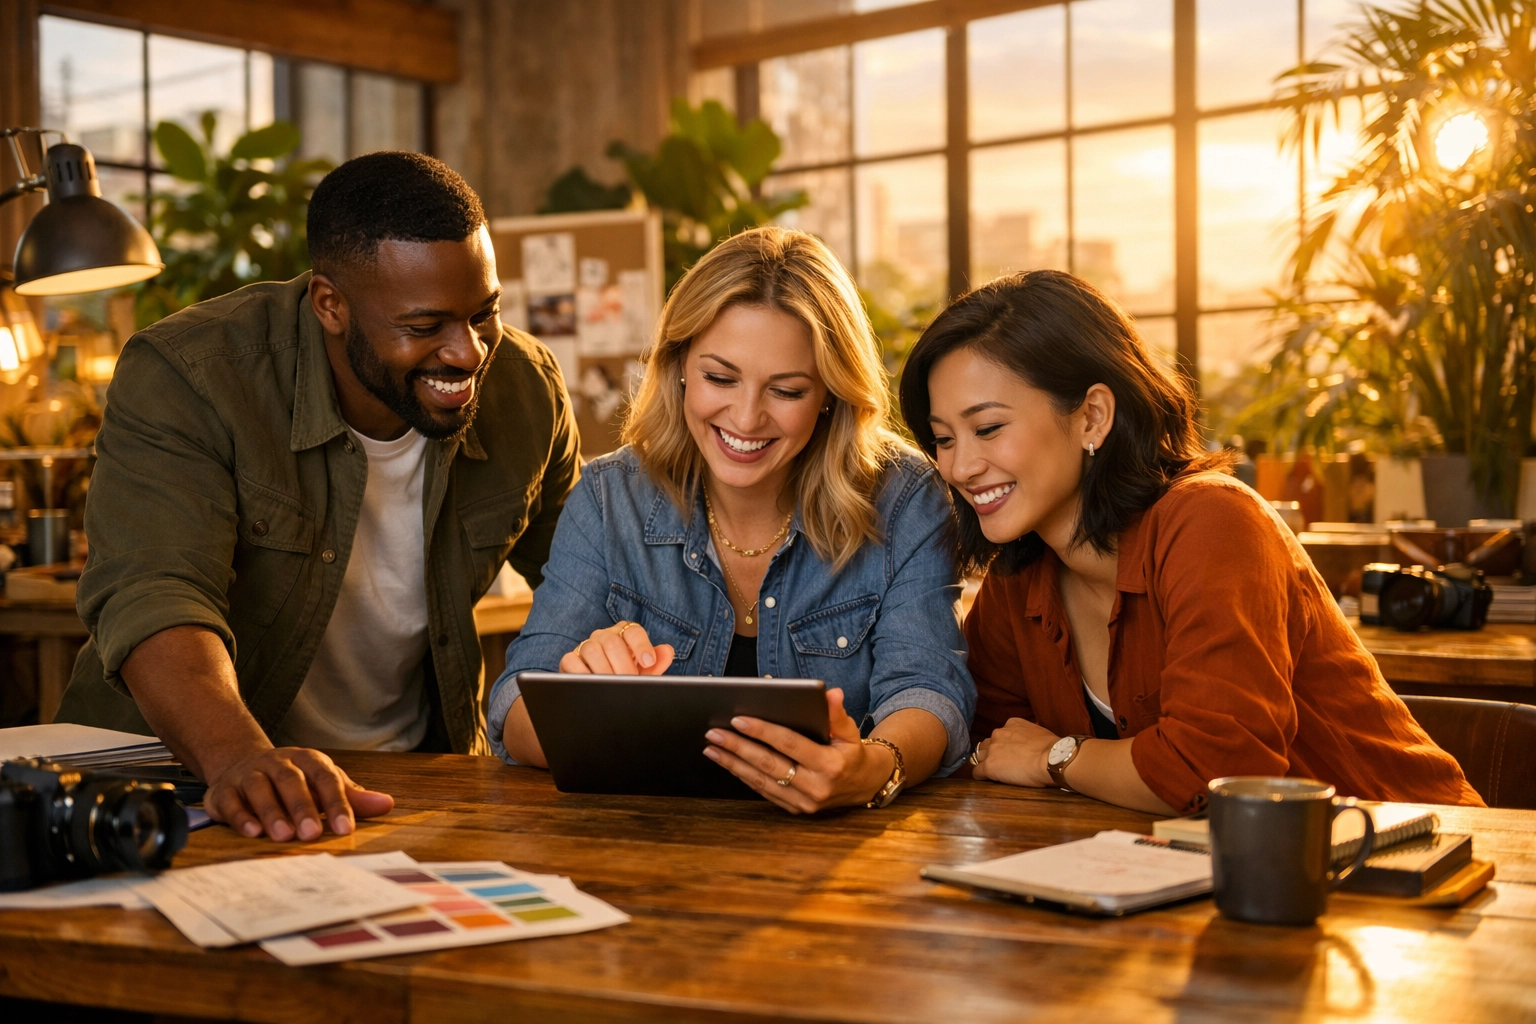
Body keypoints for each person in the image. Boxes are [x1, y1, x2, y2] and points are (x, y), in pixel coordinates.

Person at [56, 152, 581, 841]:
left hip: (415, 787)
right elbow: (155, 595)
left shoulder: (527, 388)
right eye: (425, 327)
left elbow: (593, 582)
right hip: (179, 782)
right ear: (330, 305)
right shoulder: (192, 375)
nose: (468, 353)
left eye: (485, 313)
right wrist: (239, 758)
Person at [898, 270, 1482, 814]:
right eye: (944, 439)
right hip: (1199, 877)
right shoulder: (1019, 577)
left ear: (1093, 417)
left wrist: (1056, 758)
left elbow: (1218, 773)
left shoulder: (1214, 522)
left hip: (1416, 861)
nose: (960, 467)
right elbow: (987, 750)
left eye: (988, 428)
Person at [487, 227, 974, 813]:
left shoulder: (904, 497)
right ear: (679, 366)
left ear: (830, 393)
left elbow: (928, 690)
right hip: (647, 842)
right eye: (720, 378)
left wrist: (875, 766)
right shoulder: (609, 498)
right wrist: (580, 703)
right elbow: (514, 705)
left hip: (841, 848)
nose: (745, 418)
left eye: (786, 391)